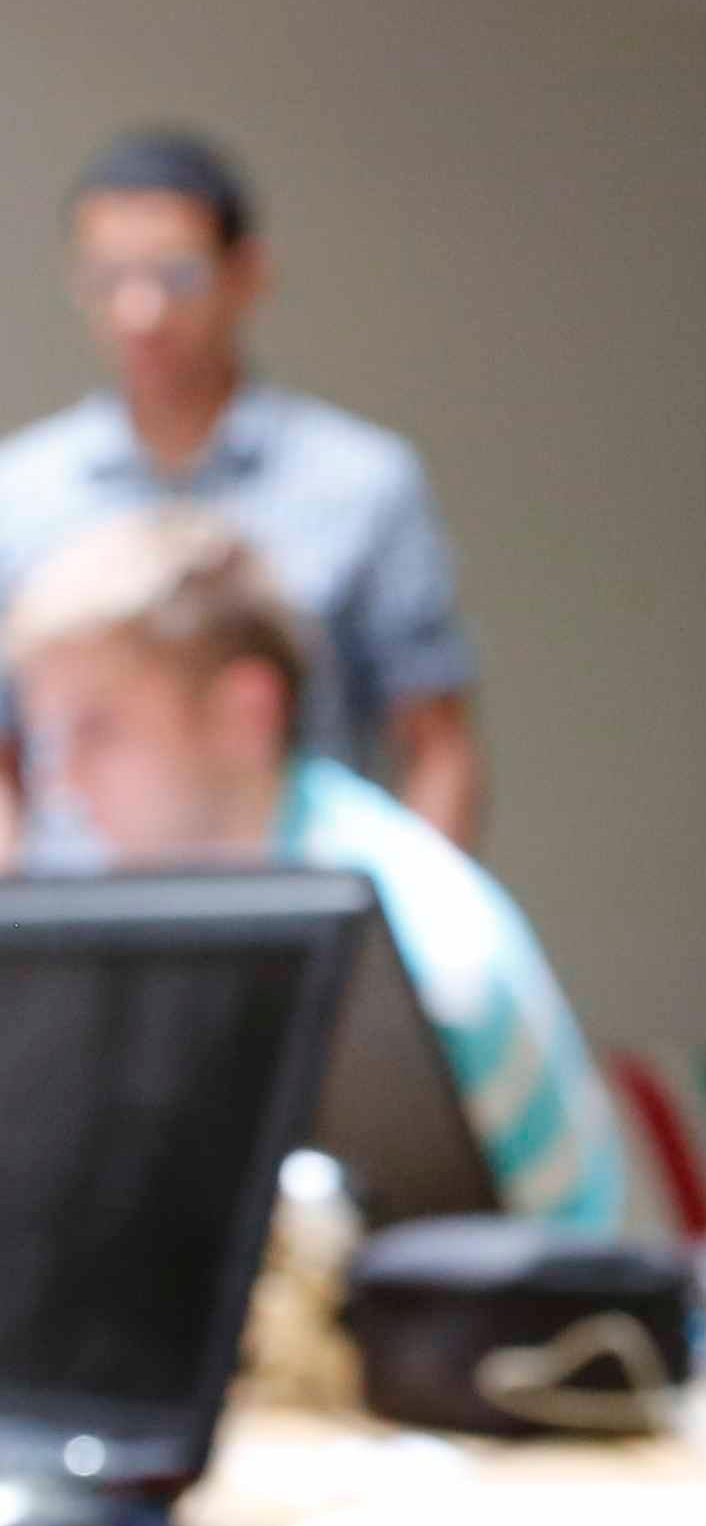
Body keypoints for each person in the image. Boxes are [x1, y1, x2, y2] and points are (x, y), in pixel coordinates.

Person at [2, 506, 623, 1230]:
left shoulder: (410, 949)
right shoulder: (245, 887)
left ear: (245, 712)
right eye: (49, 743)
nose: (64, 784)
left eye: (98, 730)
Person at [0, 128, 485, 861]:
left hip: (295, 930)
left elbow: (438, 746)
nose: (141, 311)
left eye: (177, 274)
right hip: (78, 936)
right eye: (107, 278)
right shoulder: (19, 492)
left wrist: (408, 925)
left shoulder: (360, 483)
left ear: (245, 273)